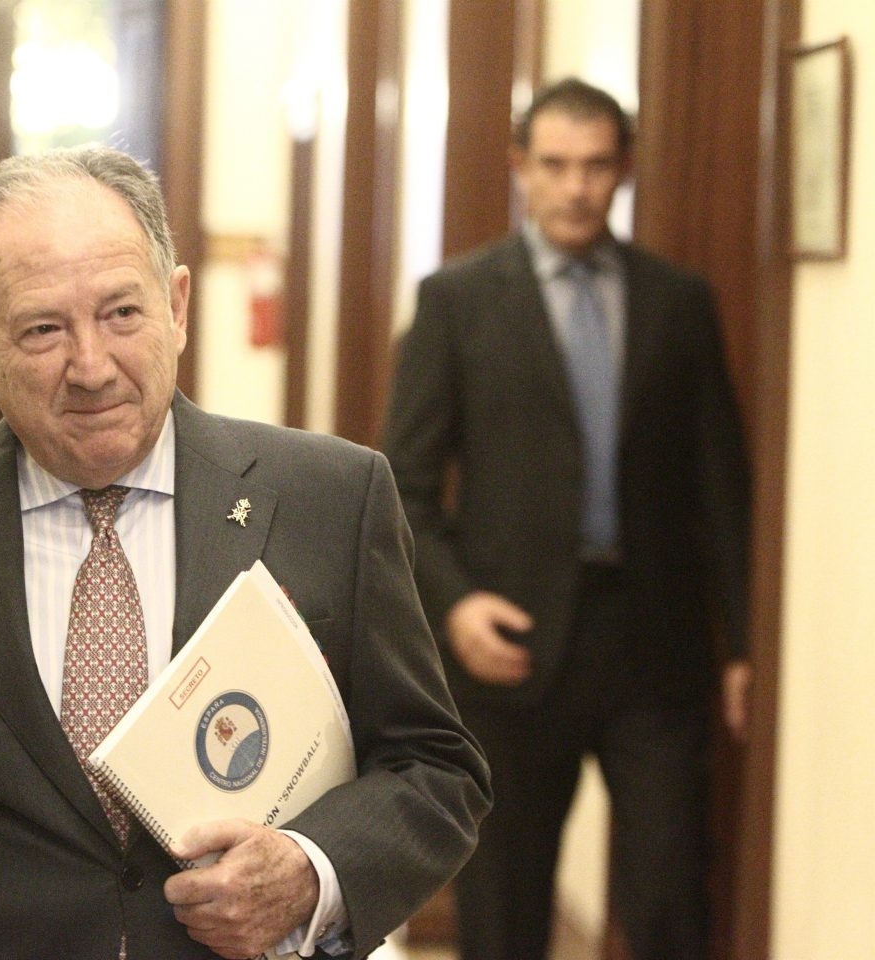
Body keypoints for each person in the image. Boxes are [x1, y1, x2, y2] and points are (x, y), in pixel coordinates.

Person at [0, 145, 491, 960]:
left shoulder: (332, 496)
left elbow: (436, 771)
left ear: (177, 304)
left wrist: (310, 869)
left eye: (122, 314)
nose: (91, 366)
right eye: (42, 329)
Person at [382, 78, 752, 960]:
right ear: (521, 170)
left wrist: (740, 645)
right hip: (510, 644)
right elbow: (405, 485)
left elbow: (721, 488)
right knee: (504, 910)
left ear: (622, 169)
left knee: (669, 902)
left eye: (595, 167)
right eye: (555, 166)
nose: (576, 187)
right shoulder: (458, 301)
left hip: (654, 648)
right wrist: (457, 606)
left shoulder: (679, 302)